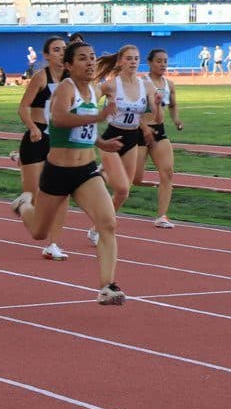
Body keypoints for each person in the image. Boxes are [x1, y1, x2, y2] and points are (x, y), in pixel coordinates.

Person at [11, 39, 126, 304]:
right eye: (83, 58)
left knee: (108, 223)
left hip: (85, 170)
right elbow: (61, 119)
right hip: (58, 171)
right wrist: (97, 118)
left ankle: (107, 286)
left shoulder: (92, 90)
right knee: (39, 232)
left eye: (92, 57)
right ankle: (25, 204)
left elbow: (80, 129)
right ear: (69, 65)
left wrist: (100, 141)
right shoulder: (66, 87)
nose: (90, 62)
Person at [89, 44, 158, 244]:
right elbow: (89, 101)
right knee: (122, 187)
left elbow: (156, 114)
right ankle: (101, 174)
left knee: (123, 193)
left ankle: (96, 228)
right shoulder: (111, 85)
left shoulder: (145, 85)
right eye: (128, 58)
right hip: (113, 137)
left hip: (132, 138)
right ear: (120, 61)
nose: (133, 62)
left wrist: (157, 105)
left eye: (136, 58)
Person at [13, 35, 70, 261]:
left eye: (64, 49)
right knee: (36, 197)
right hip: (37, 139)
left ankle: (54, 244)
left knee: (62, 193)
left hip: (60, 142)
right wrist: (33, 128)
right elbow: (23, 108)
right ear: (46, 55)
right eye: (56, 49)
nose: (61, 53)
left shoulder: (71, 80)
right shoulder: (41, 78)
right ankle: (23, 204)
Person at [133, 48, 183, 229]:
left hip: (159, 131)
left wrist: (176, 120)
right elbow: (132, 108)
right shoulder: (141, 83)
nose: (163, 64)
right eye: (159, 61)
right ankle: (106, 171)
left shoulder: (169, 84)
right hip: (139, 131)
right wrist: (143, 126)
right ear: (149, 63)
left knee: (168, 172)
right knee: (135, 179)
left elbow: (173, 105)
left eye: (165, 61)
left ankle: (162, 216)